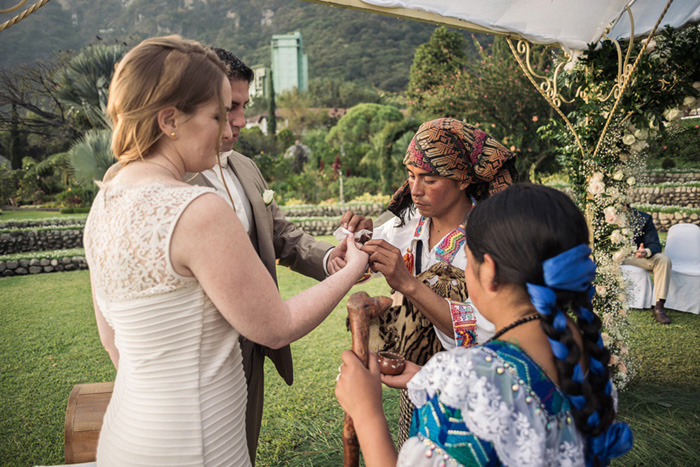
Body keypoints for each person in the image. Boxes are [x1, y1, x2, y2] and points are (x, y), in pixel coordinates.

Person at [83, 35, 369, 466]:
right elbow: (277, 326)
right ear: (169, 120)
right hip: (197, 439)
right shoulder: (197, 208)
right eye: (218, 114)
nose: (229, 127)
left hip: (131, 429)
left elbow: (111, 338)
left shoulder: (106, 197)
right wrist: (353, 268)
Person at [336, 183, 634, 466]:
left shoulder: (466, 379)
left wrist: (367, 413)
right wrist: (426, 377)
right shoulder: (584, 353)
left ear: (489, 271)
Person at [183, 47, 372, 463]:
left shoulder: (246, 168)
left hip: (251, 349)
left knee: (241, 446)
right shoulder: (171, 180)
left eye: (244, 107)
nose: (239, 122)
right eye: (230, 107)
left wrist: (332, 260)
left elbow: (281, 234)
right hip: (196, 354)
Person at [360, 117, 517, 444]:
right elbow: (360, 252)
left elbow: (483, 329)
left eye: (429, 180)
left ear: (462, 180)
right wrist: (352, 235)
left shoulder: (490, 241)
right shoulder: (409, 224)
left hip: (474, 384)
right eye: (411, 176)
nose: (415, 190)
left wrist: (408, 284)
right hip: (415, 383)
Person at [622, 206, 672, 324]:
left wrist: (645, 252)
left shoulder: (644, 218)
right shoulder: (603, 215)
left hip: (633, 256)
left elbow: (654, 244)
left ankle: (659, 307)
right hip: (609, 255)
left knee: (663, 260)